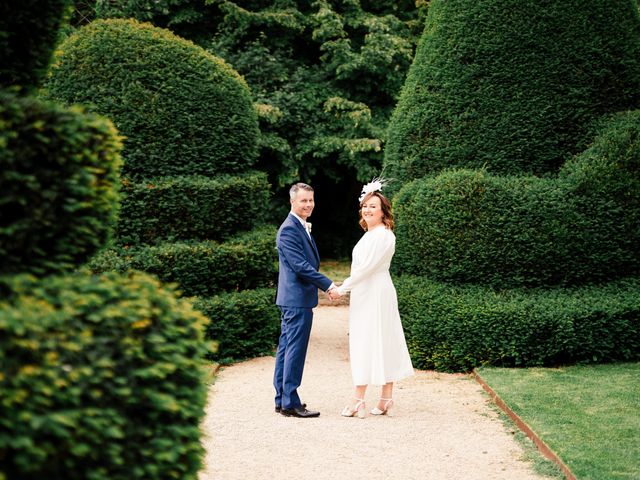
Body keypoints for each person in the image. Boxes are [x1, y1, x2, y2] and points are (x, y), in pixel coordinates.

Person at [329, 179, 414, 418]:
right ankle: (386, 398)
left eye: (373, 206)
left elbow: (365, 270)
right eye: (365, 206)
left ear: (383, 211)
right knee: (375, 339)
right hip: (367, 292)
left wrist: (341, 288)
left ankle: (357, 400)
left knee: (369, 341)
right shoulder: (371, 234)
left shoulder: (383, 236)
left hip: (376, 293)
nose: (367, 210)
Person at [274, 182, 336, 418]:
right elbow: (300, 266)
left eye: (311, 200)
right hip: (296, 299)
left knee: (286, 350)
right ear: (292, 202)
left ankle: (282, 399)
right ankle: (290, 402)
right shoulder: (290, 229)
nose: (309, 204)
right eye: (303, 200)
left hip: (293, 299)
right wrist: (328, 284)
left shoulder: (300, 226)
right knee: (294, 351)